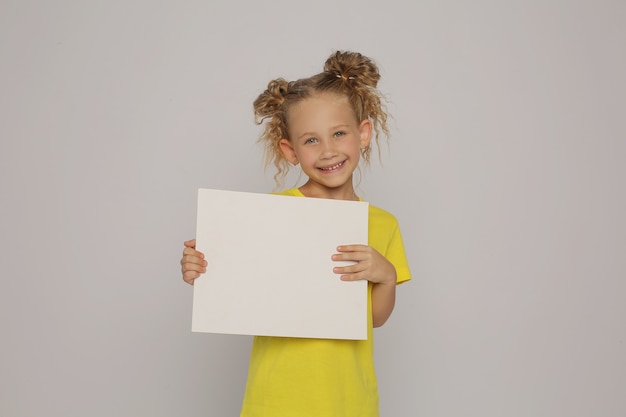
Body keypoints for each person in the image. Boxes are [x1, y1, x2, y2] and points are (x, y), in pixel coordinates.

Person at [180, 50, 411, 417]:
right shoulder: (270, 215)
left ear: (363, 134)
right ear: (290, 150)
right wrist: (202, 268)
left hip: (349, 400)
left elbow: (375, 318)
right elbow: (236, 283)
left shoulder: (383, 223)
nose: (328, 151)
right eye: (311, 140)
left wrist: (386, 275)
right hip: (276, 399)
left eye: (339, 133)